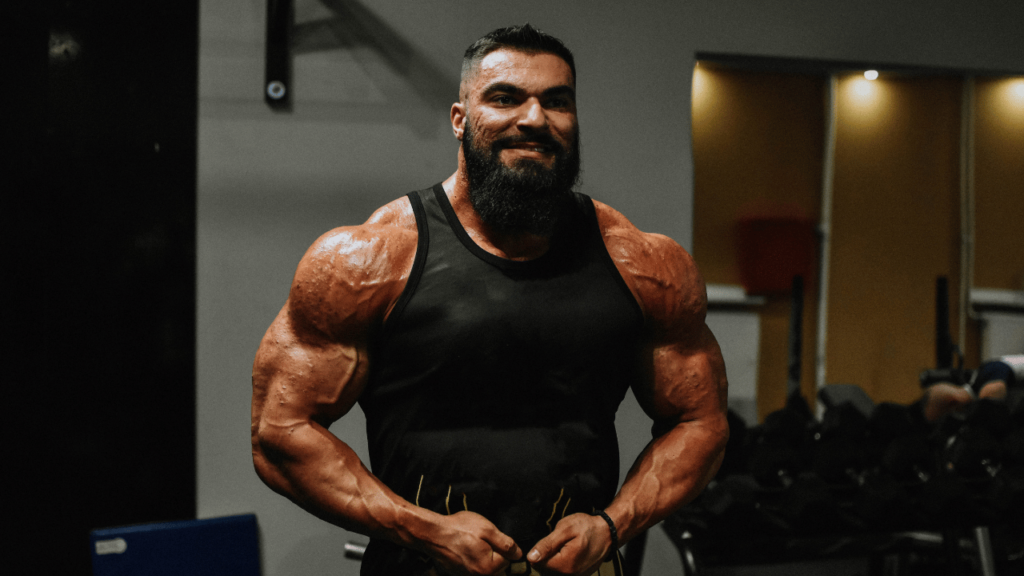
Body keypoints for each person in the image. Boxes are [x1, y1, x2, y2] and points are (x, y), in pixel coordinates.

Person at [251, 24, 729, 576]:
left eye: (557, 101)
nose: (534, 119)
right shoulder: (368, 260)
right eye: (505, 98)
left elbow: (702, 424)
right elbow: (280, 433)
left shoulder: (643, 263)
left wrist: (612, 525)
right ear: (460, 119)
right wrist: (422, 529)